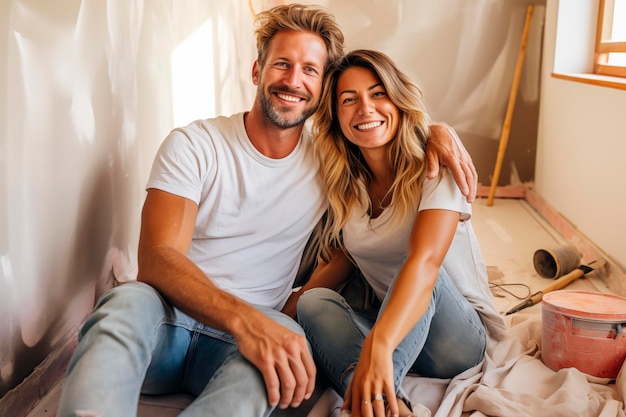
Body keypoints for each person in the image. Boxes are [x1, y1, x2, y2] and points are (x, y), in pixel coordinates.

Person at [57, 5, 478, 417]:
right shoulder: (195, 145)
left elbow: (380, 244)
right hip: (167, 319)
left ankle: (379, 403)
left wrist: (434, 132)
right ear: (257, 71)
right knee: (122, 303)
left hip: (256, 340)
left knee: (281, 359)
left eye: (310, 70)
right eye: (282, 65)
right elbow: (156, 258)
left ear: (320, 90)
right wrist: (247, 320)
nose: (294, 81)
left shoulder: (327, 163)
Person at [295, 49, 507, 417]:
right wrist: (272, 315)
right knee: (313, 302)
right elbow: (342, 258)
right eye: (349, 100)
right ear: (336, 116)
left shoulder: (434, 164)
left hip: (455, 339)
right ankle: (385, 407)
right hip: (393, 328)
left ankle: (379, 383)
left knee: (419, 270)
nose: (366, 108)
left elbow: (425, 264)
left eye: (378, 93)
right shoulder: (347, 182)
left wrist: (379, 346)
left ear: (397, 98)